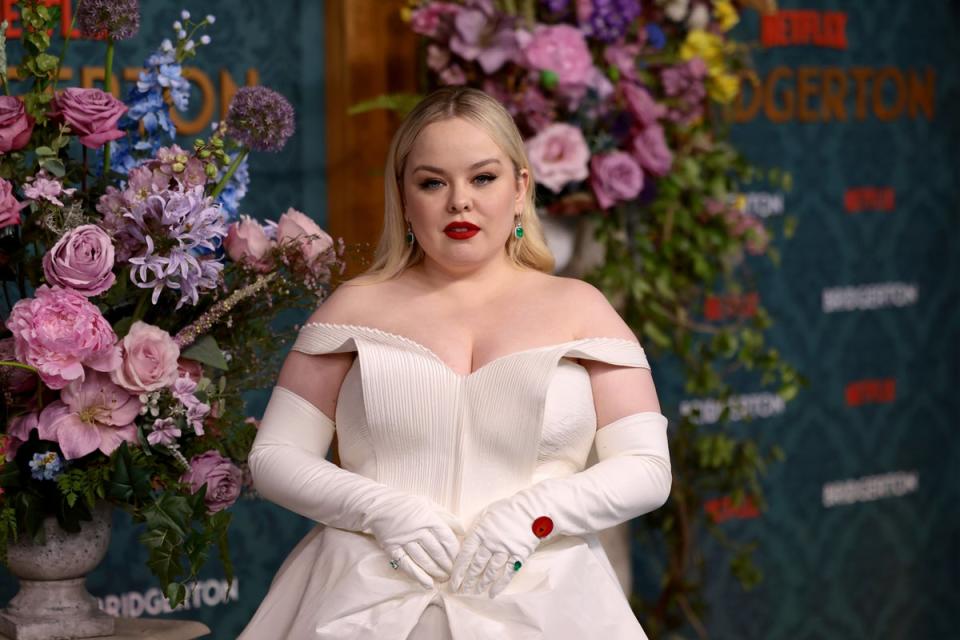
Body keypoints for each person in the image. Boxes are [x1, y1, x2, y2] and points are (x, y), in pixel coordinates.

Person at [239, 87, 671, 640]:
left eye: (483, 178)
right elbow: (274, 456)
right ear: (404, 196)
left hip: (551, 605)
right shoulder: (353, 308)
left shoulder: (582, 308)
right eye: (432, 182)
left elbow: (647, 468)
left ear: (520, 189)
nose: (459, 201)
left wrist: (534, 516)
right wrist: (378, 510)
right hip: (358, 600)